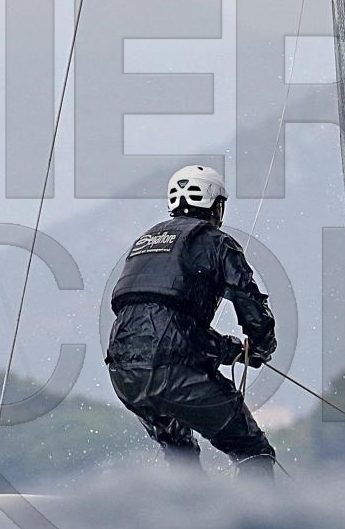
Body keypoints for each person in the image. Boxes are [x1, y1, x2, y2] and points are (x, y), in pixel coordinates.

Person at [105, 165, 279, 476]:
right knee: (252, 450)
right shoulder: (216, 241)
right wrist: (261, 346)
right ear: (215, 205)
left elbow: (160, 326)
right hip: (174, 370)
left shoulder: (146, 241)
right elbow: (247, 300)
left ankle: (185, 506)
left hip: (125, 373)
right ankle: (256, 509)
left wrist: (230, 350)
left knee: (181, 454)